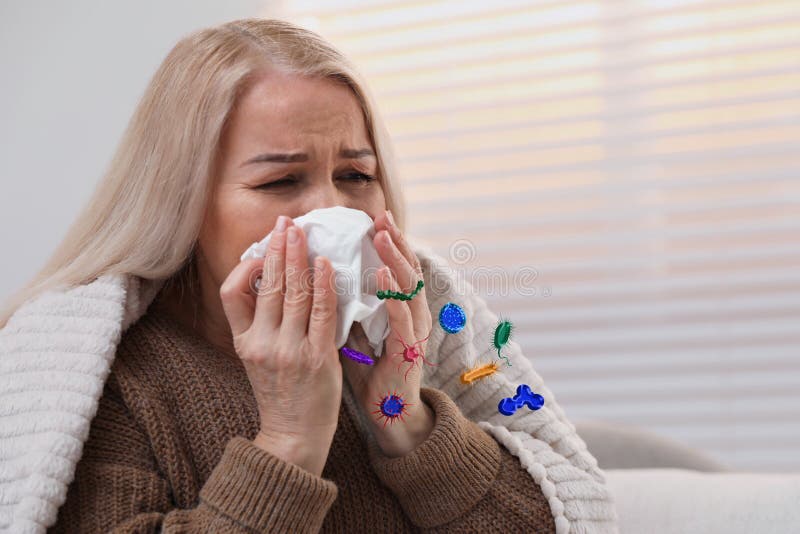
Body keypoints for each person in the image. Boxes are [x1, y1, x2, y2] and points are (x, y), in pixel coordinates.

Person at [0, 18, 618, 533]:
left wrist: (410, 425)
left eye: (355, 176)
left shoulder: (420, 313)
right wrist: (290, 440)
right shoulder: (98, 373)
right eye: (280, 181)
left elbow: (575, 516)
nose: (332, 209)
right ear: (182, 205)